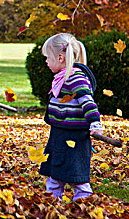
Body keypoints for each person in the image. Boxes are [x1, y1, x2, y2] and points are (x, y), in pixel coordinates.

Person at [39, 33, 103, 202]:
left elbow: (88, 103)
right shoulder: (62, 78)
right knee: (55, 176)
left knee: (78, 178)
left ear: (60, 57)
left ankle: (85, 206)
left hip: (74, 138)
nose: (45, 61)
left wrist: (95, 123)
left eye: (47, 57)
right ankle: (52, 206)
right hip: (59, 136)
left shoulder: (76, 79)